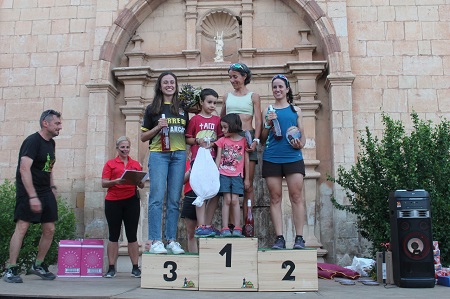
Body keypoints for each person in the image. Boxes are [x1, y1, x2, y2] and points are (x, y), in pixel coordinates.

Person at [3, 109, 62, 283]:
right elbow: (24, 168)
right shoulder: (32, 141)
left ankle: (38, 264)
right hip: (28, 190)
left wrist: (52, 186)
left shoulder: (51, 143)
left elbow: (49, 166)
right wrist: (32, 196)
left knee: (50, 229)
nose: (60, 127)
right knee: (22, 227)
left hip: (45, 190)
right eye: (57, 123)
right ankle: (11, 269)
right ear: (46, 123)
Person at [141, 72, 189, 255]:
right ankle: (155, 240)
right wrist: (157, 127)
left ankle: (171, 239)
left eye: (172, 82)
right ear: (160, 86)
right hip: (159, 155)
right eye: (165, 82)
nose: (169, 85)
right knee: (156, 198)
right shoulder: (152, 109)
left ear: (176, 85)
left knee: (174, 199)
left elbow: (186, 134)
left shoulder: (183, 108)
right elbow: (143, 136)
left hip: (178, 155)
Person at [261, 74, 306, 250]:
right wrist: (267, 124)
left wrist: (298, 144)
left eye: (281, 86)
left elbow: (303, 138)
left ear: (287, 89)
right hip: (272, 158)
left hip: (293, 157)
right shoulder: (268, 110)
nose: (278, 90)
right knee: (275, 198)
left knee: (296, 197)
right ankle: (279, 238)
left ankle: (299, 238)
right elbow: (263, 139)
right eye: (275, 87)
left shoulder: (296, 111)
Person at [220, 62, 261, 227]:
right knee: (229, 185)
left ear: (244, 76)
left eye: (235, 76)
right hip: (230, 140)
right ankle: (232, 225)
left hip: (247, 137)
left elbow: (258, 120)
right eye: (230, 77)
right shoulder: (227, 97)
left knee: (248, 184)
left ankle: (247, 223)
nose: (232, 80)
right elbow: (221, 119)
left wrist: (256, 140)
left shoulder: (253, 96)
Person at [101, 136, 144, 278]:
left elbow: (141, 184)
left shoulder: (135, 164)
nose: (125, 150)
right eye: (122, 147)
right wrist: (116, 181)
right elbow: (104, 183)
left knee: (132, 235)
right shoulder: (110, 164)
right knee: (113, 235)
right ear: (117, 148)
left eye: (127, 147)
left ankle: (135, 267)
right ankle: (112, 267)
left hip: (131, 200)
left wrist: (140, 180)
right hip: (113, 201)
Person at [185, 88, 223, 237]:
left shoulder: (217, 120)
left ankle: (207, 223)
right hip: (198, 159)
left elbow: (220, 139)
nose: (212, 105)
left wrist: (212, 144)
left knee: (214, 191)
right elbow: (187, 138)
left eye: (215, 103)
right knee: (199, 190)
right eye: (209, 102)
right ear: (201, 102)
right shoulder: (195, 120)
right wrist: (197, 141)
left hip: (212, 159)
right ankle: (201, 225)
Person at [214, 113, 250, 237]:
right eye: (221, 127)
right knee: (227, 200)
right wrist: (214, 173)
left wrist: (247, 178)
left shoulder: (243, 141)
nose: (222, 130)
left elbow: (246, 160)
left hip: (237, 175)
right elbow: (218, 157)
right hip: (223, 174)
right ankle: (224, 227)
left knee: (235, 200)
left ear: (233, 126)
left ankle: (237, 228)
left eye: (224, 127)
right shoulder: (222, 140)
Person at [180, 152, 198, 253]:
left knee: (204, 231)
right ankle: (194, 256)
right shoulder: (186, 163)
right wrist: (191, 168)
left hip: (202, 195)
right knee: (191, 232)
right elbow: (182, 180)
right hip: (189, 195)